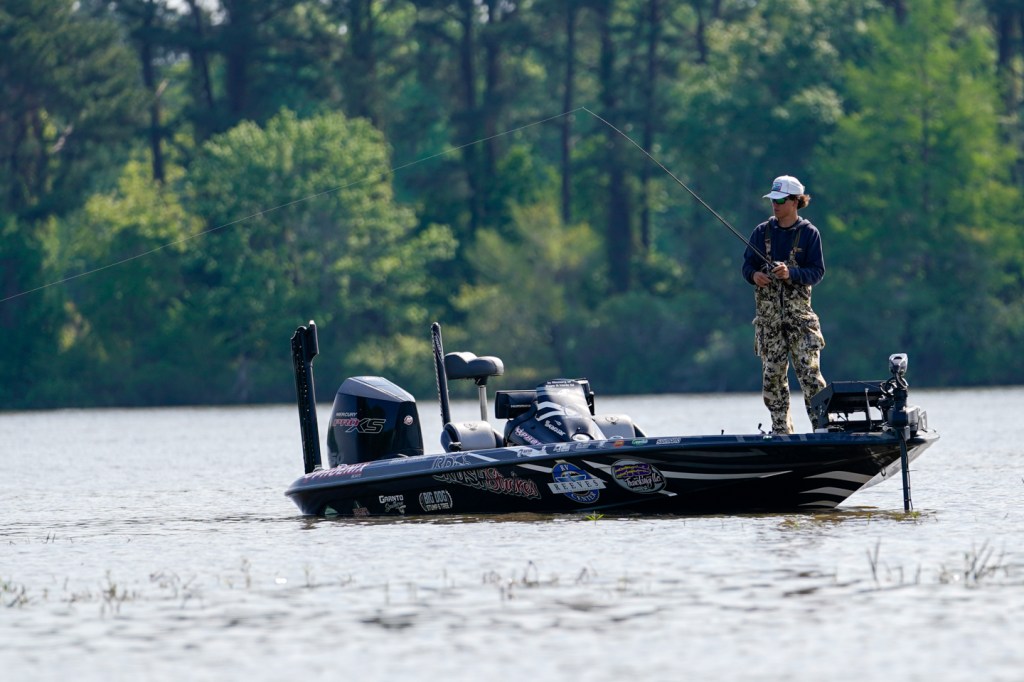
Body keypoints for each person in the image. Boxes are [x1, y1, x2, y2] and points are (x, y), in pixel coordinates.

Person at [742, 175, 826, 434]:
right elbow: (747, 266)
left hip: (800, 322)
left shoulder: (809, 233)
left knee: (811, 377)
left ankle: (823, 430)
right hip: (769, 324)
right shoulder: (761, 232)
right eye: (773, 200)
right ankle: (781, 432)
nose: (774, 205)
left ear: (795, 201)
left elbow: (817, 272)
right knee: (773, 381)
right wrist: (755, 276)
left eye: (780, 201)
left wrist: (791, 273)